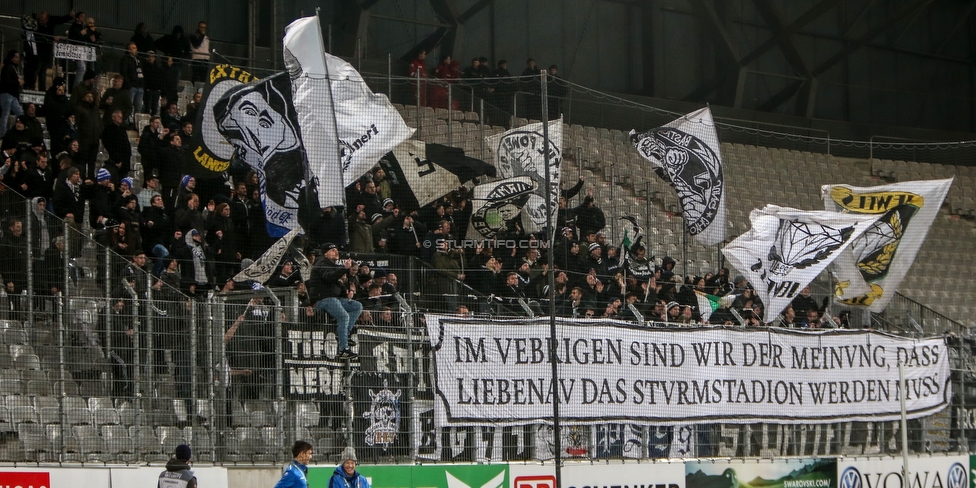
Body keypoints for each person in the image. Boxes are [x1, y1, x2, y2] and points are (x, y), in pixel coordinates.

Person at [306, 243, 362, 360]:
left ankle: (344, 334)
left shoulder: (331, 265)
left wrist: (346, 293)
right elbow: (329, 277)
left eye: (337, 250)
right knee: (344, 316)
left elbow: (336, 285)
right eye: (333, 250)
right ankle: (343, 349)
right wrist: (343, 269)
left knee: (357, 306)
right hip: (323, 299)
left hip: (334, 299)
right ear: (325, 252)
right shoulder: (321, 262)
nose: (336, 252)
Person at [0, 51, 25, 140]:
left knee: (20, 113)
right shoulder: (7, 67)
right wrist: (17, 83)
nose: (18, 59)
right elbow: (5, 80)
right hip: (6, 93)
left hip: (13, 95)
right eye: (16, 57)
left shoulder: (15, 67)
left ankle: (18, 131)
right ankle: (3, 133)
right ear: (11, 58)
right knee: (5, 114)